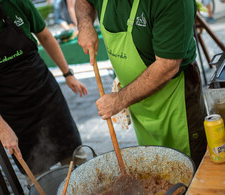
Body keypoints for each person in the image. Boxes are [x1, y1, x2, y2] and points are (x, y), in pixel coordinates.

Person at [76, 0, 207, 169]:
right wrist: (85, 24)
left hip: (176, 100)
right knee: (155, 168)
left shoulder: (175, 3)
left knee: (191, 170)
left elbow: (167, 66)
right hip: (140, 106)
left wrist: (120, 100)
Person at [0, 0, 88, 178]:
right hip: (11, 106)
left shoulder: (15, 2)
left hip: (44, 90)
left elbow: (45, 36)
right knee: (35, 170)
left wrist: (67, 74)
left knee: (74, 154)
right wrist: (2, 129)